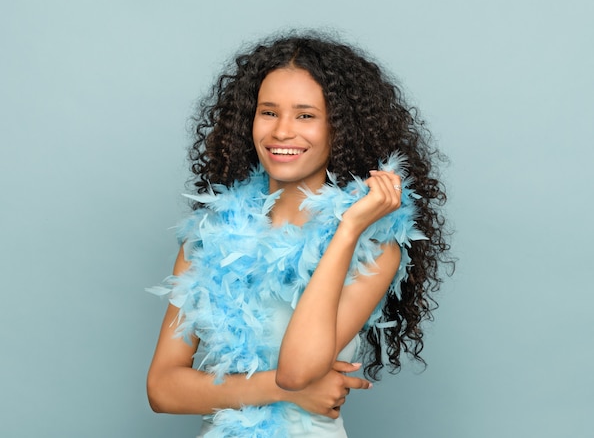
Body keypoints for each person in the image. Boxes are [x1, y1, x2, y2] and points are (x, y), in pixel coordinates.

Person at [147, 31, 452, 437]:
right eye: (268, 112)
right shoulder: (207, 237)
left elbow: (296, 371)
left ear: (340, 129)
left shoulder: (373, 248)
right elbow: (163, 389)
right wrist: (286, 394)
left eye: (305, 115)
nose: (282, 132)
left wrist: (347, 231)